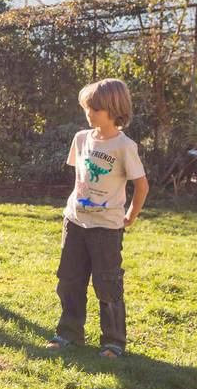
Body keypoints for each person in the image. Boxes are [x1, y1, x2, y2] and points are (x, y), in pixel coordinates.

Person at [47, 78, 149, 359]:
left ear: (114, 109)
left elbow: (141, 185)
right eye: (87, 108)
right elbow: (81, 177)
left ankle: (113, 342)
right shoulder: (81, 139)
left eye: (95, 109)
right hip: (75, 222)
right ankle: (69, 334)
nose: (89, 114)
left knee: (107, 284)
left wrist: (131, 214)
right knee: (68, 280)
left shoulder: (124, 146)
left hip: (106, 228)